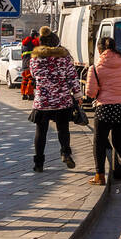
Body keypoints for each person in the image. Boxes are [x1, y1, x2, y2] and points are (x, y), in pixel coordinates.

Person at [86, 36, 121, 186]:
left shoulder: (95, 68)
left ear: (99, 50)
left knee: (99, 142)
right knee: (120, 142)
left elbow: (90, 92)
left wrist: (98, 93)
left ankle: (99, 175)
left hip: (105, 108)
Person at [29, 26, 79, 172]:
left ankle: (39, 163)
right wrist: (78, 95)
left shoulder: (35, 59)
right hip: (62, 101)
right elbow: (72, 78)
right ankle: (66, 153)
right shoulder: (65, 59)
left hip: (42, 102)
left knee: (41, 132)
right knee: (63, 130)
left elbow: (33, 75)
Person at [19, 28, 40, 100]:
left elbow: (22, 54)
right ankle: (30, 94)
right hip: (30, 63)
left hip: (24, 63)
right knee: (31, 79)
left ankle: (24, 94)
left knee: (25, 79)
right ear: (34, 36)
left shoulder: (24, 43)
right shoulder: (34, 42)